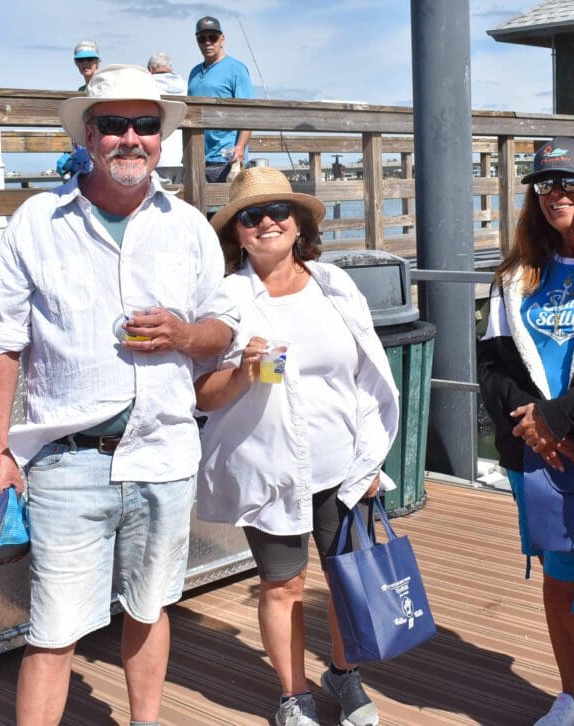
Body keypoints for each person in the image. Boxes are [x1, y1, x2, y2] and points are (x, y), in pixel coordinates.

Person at [0, 64, 238, 725]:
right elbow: (0, 344)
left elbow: (226, 328)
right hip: (67, 460)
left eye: (144, 124)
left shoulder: (189, 227)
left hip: (163, 452)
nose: (130, 137)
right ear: (89, 136)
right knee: (53, 630)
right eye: (114, 123)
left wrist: (183, 333)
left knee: (150, 608)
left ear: (159, 138)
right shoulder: (37, 221)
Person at [195, 166, 399, 726]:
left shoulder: (335, 285)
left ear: (299, 223)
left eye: (278, 211)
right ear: (236, 233)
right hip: (270, 470)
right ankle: (294, 694)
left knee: (348, 581)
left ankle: (345, 674)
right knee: (283, 584)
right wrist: (243, 373)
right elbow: (201, 394)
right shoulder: (227, 298)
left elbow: (367, 376)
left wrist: (372, 459)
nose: (267, 222)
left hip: (343, 465)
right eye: (251, 216)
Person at [478, 137, 574, 726]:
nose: (557, 194)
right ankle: (571, 694)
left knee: (568, 574)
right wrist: (532, 421)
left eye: (572, 182)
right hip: (531, 449)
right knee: (552, 572)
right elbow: (491, 367)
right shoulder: (515, 273)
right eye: (545, 184)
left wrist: (559, 417)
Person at [186, 16, 254, 182]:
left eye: (213, 37)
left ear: (222, 39)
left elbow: (248, 113)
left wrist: (240, 147)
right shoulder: (194, 72)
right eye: (202, 39)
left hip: (226, 160)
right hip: (196, 157)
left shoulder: (237, 69)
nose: (207, 42)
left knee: (227, 200)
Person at [56, 40, 99, 179]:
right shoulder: (80, 90)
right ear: (76, 63)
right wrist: (70, 153)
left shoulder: (104, 86)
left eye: (89, 59)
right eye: (80, 60)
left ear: (97, 61)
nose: (85, 63)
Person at [147, 52, 188, 185]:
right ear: (170, 68)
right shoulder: (184, 85)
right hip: (180, 156)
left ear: (151, 69)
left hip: (157, 157)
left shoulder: (147, 85)